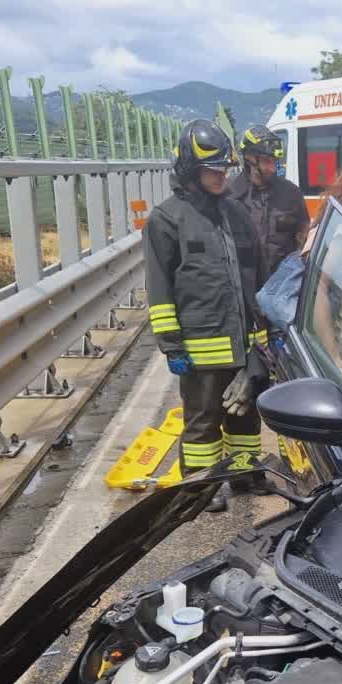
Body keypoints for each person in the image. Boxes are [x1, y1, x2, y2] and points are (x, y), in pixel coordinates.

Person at [144, 119, 271, 514]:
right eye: (213, 171)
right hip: (200, 346)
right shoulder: (166, 220)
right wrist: (171, 344)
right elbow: (160, 288)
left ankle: (245, 473)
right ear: (189, 169)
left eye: (224, 170)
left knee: (246, 416)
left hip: (245, 341)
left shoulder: (236, 213)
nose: (221, 177)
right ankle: (201, 488)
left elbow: (258, 274)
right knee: (203, 421)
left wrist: (265, 333)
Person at [226, 123, 309, 281]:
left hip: (281, 288)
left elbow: (303, 238)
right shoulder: (228, 195)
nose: (273, 167)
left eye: (274, 161)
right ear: (250, 159)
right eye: (267, 161)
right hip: (243, 289)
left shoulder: (291, 194)